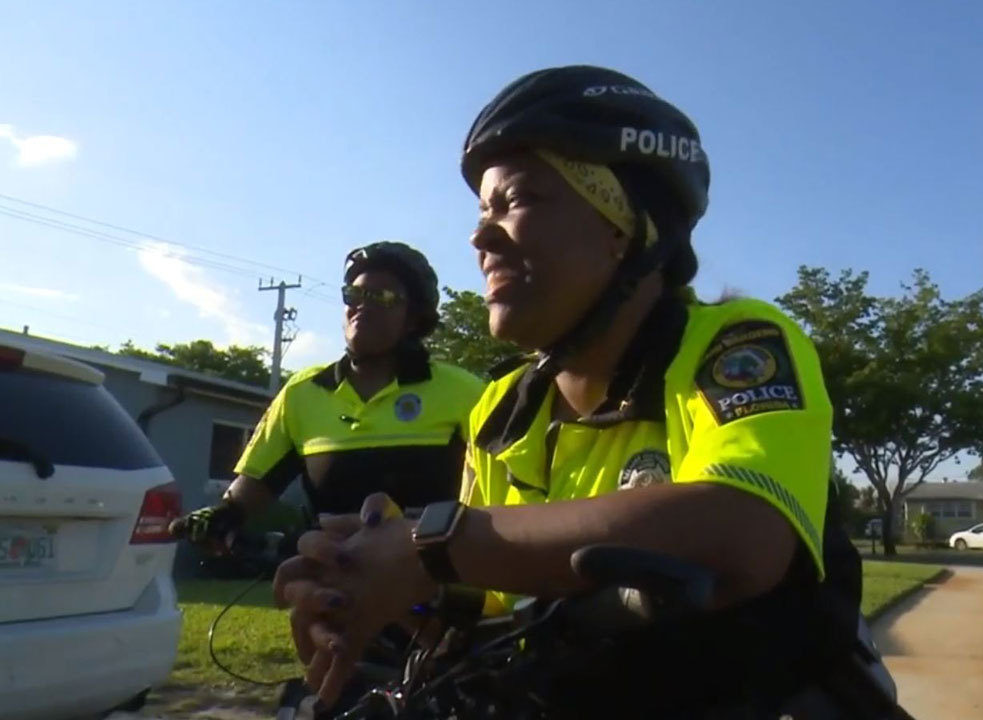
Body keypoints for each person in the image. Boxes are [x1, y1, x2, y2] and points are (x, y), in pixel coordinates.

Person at [274, 66, 897, 718]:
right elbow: (485, 604)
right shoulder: (502, 409)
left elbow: (744, 534)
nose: (480, 237)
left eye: (517, 200)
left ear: (622, 225)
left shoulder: (732, 344)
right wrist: (373, 588)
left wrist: (430, 546)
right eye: (482, 211)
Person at [173, 241, 484, 548]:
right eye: (355, 295)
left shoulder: (463, 390)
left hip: (435, 581)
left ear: (415, 318)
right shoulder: (301, 392)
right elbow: (256, 484)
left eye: (383, 296)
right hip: (332, 577)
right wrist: (225, 515)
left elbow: (499, 495)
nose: (362, 304)